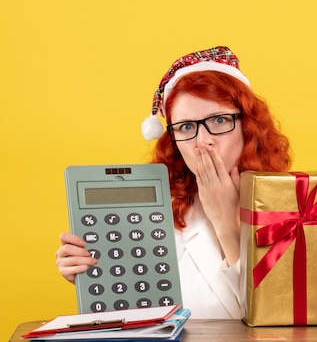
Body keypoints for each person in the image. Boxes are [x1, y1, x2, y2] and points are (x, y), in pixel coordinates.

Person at [55, 46, 291, 318]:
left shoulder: (297, 208)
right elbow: (139, 317)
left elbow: (280, 319)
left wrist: (227, 225)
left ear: (248, 127)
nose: (203, 141)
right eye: (187, 127)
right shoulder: (150, 218)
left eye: (219, 120)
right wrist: (95, 274)